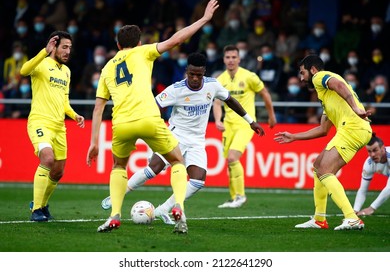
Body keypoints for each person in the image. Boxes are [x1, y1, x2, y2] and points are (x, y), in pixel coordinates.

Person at [86, 0, 219, 234]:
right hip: (148, 118)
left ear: (117, 45)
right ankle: (177, 205)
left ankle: (114, 216)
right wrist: (204, 19)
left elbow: (98, 108)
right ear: (138, 42)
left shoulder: (106, 68)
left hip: (122, 123)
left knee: (118, 166)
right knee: (177, 161)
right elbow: (177, 39)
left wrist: (94, 143)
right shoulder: (143, 52)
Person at [99, 52, 264, 224]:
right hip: (175, 135)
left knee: (198, 180)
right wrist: (156, 133)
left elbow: (230, 100)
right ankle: (116, 195)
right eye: (191, 74)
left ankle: (164, 208)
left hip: (197, 140)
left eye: (198, 75)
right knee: (154, 168)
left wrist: (251, 122)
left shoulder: (212, 85)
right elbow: (153, 107)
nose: (194, 78)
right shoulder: (175, 89)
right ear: (186, 71)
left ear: (204, 72)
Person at [274, 54, 372, 230]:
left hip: (353, 128)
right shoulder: (326, 96)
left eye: (303, 72)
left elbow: (340, 84)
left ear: (312, 70)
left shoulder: (320, 76)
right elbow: (323, 129)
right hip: (354, 129)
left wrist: (356, 108)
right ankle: (319, 219)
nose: (301, 77)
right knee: (318, 166)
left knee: (325, 169)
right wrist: (294, 136)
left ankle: (352, 218)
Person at [20, 31, 85, 222]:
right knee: (47, 158)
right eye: (64, 47)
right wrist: (43, 52)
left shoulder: (66, 71)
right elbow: (23, 70)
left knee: (58, 171)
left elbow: (64, 101)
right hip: (40, 122)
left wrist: (74, 115)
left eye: (70, 48)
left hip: (59, 127)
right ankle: (36, 210)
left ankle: (42, 205)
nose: (67, 51)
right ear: (54, 47)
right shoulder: (41, 64)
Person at [213, 44, 277, 208]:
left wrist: (271, 115)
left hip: (245, 124)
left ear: (239, 59)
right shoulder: (220, 80)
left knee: (233, 157)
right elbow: (217, 103)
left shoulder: (249, 77)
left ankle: (241, 196)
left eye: (234, 57)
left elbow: (264, 93)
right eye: (228, 57)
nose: (231, 60)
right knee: (229, 161)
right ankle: (234, 197)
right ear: (224, 59)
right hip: (228, 125)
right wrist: (218, 120)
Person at [353, 134, 390, 216]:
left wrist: (371, 208)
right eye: (369, 151)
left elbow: (389, 187)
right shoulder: (369, 164)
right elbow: (362, 190)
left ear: (383, 149)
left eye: (375, 150)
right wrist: (355, 211)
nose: (372, 154)